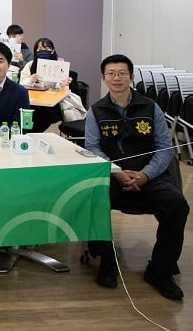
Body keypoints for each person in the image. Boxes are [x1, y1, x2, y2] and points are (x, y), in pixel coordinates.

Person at [85, 54, 189, 300]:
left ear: (131, 77)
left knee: (177, 205)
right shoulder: (96, 111)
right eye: (111, 73)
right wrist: (117, 172)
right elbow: (92, 149)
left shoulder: (151, 107)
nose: (117, 78)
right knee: (92, 199)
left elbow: (165, 148)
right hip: (112, 175)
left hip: (150, 175)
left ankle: (160, 270)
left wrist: (145, 174)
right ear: (103, 78)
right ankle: (107, 261)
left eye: (122, 73)